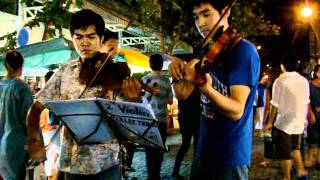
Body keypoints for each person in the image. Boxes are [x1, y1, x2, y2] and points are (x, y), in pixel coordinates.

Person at [25, 9, 143, 179]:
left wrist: (134, 100)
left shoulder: (113, 72)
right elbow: (35, 110)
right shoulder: (63, 73)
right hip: (73, 164)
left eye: (91, 36)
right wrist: (34, 140)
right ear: (72, 38)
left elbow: (129, 123)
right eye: (79, 37)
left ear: (101, 39)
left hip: (107, 162)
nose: (84, 43)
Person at [168, 0, 260, 179]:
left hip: (230, 155)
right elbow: (182, 93)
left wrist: (208, 90)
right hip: (204, 150)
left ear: (226, 12)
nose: (200, 23)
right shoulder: (205, 49)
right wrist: (177, 72)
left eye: (206, 14)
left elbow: (236, 110)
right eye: (196, 17)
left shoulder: (242, 51)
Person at [265, 55, 309, 180]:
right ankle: (301, 171)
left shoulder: (280, 81)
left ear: (282, 66)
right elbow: (306, 102)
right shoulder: (304, 81)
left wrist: (269, 122)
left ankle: (287, 177)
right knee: (295, 148)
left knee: (285, 154)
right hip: (299, 121)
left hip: (284, 122)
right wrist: (304, 120)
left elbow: (275, 104)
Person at [0, 50, 34, 180]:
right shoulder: (21, 87)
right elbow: (30, 119)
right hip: (15, 146)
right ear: (21, 67)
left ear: (5, 66)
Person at [142, 54, 173, 180]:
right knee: (160, 149)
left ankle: (151, 175)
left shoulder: (144, 80)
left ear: (150, 64)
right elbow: (171, 101)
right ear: (162, 65)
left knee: (149, 150)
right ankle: (156, 174)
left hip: (147, 121)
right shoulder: (166, 81)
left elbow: (140, 99)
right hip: (161, 120)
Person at [172, 88, 200, 179]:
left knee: (185, 145)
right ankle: (195, 173)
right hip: (194, 119)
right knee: (195, 146)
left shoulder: (181, 86)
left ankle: (176, 171)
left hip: (185, 118)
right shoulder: (195, 87)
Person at [305, 65, 320, 168]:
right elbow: (306, 100)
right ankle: (309, 160)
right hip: (313, 115)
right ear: (316, 72)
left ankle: (319, 161)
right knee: (312, 138)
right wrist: (310, 112)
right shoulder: (309, 84)